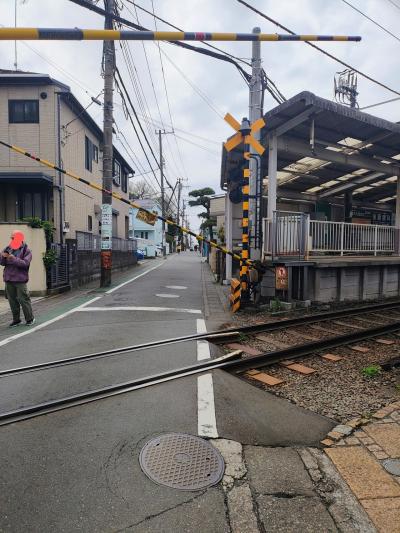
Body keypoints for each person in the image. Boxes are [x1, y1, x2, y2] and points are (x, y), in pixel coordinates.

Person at [0, 230, 35, 327]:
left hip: (20, 279)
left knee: (23, 299)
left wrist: (13, 259)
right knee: (12, 301)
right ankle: (16, 320)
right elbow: (2, 262)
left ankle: (30, 318)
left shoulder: (26, 250)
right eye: (11, 238)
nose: (12, 240)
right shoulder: (8, 248)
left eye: (13, 238)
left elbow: (25, 264)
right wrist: (3, 257)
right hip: (9, 278)